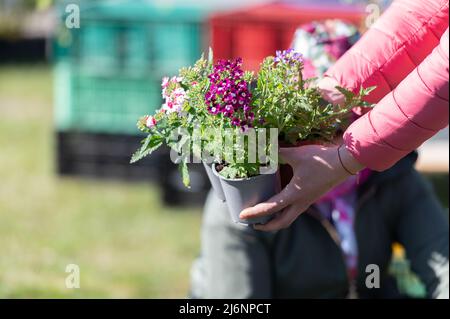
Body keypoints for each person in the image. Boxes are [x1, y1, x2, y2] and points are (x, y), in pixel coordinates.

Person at [189, 19, 449, 299]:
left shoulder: (391, 177)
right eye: (314, 118)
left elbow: (442, 265)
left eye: (347, 118)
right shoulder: (249, 194)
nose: (330, 138)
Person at [239, 0, 449, 232]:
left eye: (339, 129)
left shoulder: (395, 182)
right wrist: (328, 97)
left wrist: (344, 159)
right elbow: (426, 14)